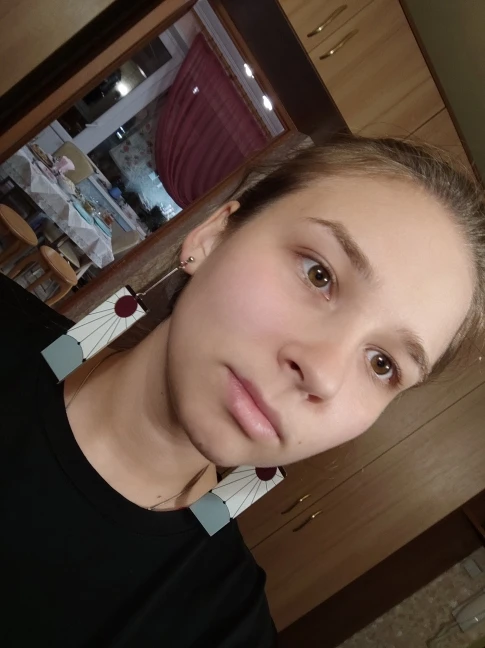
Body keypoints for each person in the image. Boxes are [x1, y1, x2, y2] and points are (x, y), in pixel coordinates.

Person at [1, 136, 484, 647]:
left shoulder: (220, 628)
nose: (322, 374)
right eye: (318, 274)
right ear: (212, 237)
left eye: (382, 364)